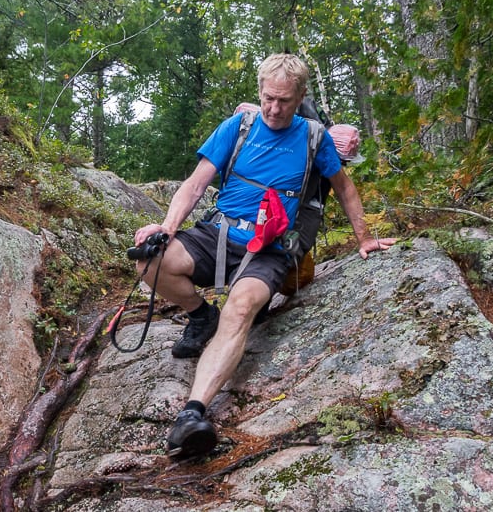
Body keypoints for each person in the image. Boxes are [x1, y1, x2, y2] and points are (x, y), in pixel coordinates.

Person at [132, 53, 397, 460]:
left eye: (285, 101)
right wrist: (166, 228)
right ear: (259, 91)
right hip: (219, 232)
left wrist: (364, 238)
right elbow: (195, 184)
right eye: (269, 98)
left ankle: (192, 414)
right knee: (150, 262)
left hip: (271, 248)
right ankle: (202, 315)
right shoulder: (236, 128)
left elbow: (344, 187)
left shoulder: (313, 138)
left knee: (241, 309)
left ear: (300, 97)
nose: (274, 109)